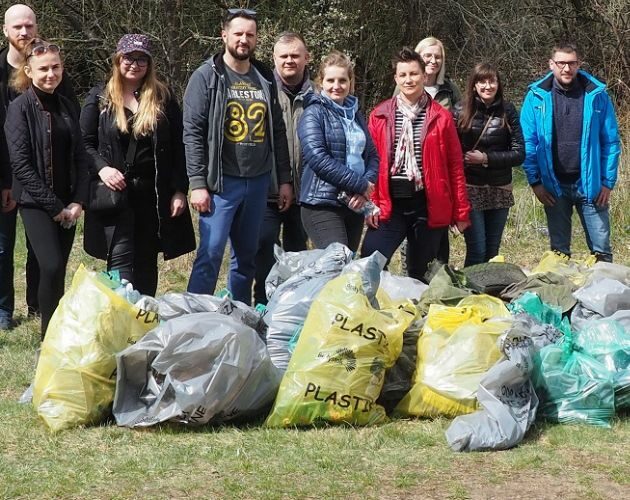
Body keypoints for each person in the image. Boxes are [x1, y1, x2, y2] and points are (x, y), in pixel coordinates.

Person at [183, 8, 292, 305]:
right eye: (238, 34)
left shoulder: (265, 77)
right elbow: (192, 133)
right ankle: (193, 318)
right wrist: (197, 183)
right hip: (221, 183)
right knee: (211, 253)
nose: (244, 40)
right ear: (224, 35)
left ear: (256, 39)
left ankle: (240, 314)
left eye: (250, 35)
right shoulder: (206, 76)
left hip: (257, 182)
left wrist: (283, 180)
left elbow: (278, 132)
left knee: (247, 256)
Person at [81, 34, 195, 296]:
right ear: (118, 59)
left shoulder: (163, 97)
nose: (135, 63)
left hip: (151, 195)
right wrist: (102, 168)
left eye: (142, 58)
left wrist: (179, 189)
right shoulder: (99, 97)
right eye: (129, 57)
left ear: (150, 63)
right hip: (114, 194)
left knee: (145, 263)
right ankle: (120, 319)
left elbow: (180, 146)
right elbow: (84, 143)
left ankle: (144, 321)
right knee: (120, 262)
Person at [361, 47, 470, 282]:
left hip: (427, 205)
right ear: (396, 79)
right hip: (390, 205)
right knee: (369, 262)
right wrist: (371, 204)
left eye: (413, 74)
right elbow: (370, 162)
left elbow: (455, 166)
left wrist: (461, 211)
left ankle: (417, 316)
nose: (409, 80)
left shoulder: (441, 117)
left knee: (420, 274)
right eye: (403, 75)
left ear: (423, 76)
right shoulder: (379, 115)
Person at [0, 4, 78, 329]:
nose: (24, 32)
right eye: (17, 26)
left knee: (42, 254)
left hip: (47, 183)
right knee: (4, 248)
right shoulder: (6, 81)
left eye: (29, 25)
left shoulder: (55, 76)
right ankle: (4, 312)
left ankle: (38, 306)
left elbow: (75, 137)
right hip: (11, 176)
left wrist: (77, 197)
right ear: (5, 31)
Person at [521, 42, 621, 262]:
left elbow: (611, 142)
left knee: (601, 250)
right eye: (561, 63)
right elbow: (528, 143)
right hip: (553, 187)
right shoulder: (536, 97)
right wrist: (536, 182)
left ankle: (602, 294)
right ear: (551, 65)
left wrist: (607, 182)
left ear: (578, 64)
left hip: (591, 186)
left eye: (571, 63)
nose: (566, 69)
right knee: (559, 254)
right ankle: (562, 295)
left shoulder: (596, 95)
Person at [297, 50, 378, 252]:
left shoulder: (356, 115)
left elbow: (372, 156)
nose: (336, 86)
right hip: (322, 203)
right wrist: (360, 184)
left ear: (350, 82)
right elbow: (318, 158)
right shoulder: (313, 113)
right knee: (336, 263)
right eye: (330, 80)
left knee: (346, 269)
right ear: (321, 82)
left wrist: (365, 189)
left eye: (342, 80)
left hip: (353, 203)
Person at [253, 32, 312, 305]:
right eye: (283, 56)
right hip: (267, 189)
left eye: (295, 56)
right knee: (263, 250)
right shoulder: (260, 91)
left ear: (306, 58)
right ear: (274, 59)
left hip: (306, 192)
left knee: (298, 256)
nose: (289, 61)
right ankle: (262, 307)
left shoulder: (320, 95)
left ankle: (291, 310)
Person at [398, 37, 462, 272]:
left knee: (438, 230)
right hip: (411, 172)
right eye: (428, 56)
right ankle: (410, 278)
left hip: (440, 170)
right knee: (412, 232)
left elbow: (459, 124)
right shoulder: (406, 84)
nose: (433, 61)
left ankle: (438, 278)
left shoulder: (450, 89)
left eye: (437, 56)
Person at [453, 63, 525, 266]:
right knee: (477, 250)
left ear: (498, 84)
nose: (487, 86)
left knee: (493, 251)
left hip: (499, 188)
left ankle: (489, 294)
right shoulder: (459, 110)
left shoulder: (508, 111)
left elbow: (519, 154)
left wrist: (486, 159)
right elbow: (451, 150)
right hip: (470, 189)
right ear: (474, 85)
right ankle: (471, 296)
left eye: (491, 81)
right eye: (482, 81)